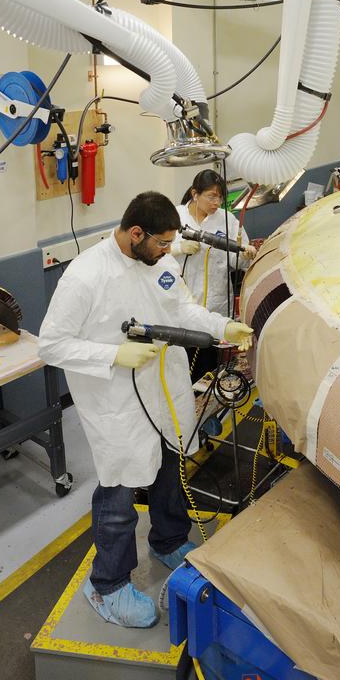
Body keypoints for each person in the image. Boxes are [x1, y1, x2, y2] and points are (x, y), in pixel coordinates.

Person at [38, 191, 254, 630]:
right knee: (118, 493)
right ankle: (108, 585)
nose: (167, 250)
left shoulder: (160, 262)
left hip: (164, 389)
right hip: (116, 401)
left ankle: (168, 538)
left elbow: (183, 310)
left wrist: (221, 327)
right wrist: (113, 355)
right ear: (136, 233)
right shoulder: (85, 277)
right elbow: (51, 345)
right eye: (161, 242)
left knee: (171, 468)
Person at [175, 169, 256, 318]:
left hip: (218, 305)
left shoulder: (227, 220)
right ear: (195, 194)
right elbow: (156, 252)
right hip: (184, 301)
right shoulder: (176, 216)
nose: (217, 203)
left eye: (220, 197)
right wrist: (178, 248)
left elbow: (236, 261)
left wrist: (244, 256)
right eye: (211, 197)